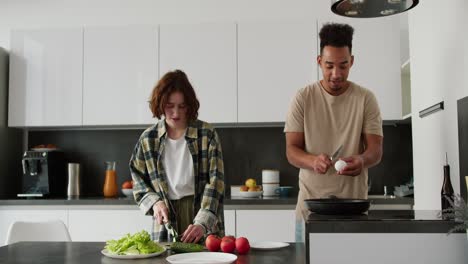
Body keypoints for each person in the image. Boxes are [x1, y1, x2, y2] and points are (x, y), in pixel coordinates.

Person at [284, 23, 383, 241]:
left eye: (343, 65)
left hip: (354, 211)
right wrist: (312, 161)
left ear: (352, 62)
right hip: (310, 211)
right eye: (329, 66)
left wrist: (362, 160)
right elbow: (291, 150)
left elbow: (375, 150)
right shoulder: (303, 98)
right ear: (319, 61)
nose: (336, 74)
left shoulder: (365, 99)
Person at [130, 69, 225, 243]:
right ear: (160, 104)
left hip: (200, 211)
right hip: (166, 215)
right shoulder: (148, 139)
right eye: (169, 106)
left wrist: (202, 223)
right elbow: (137, 179)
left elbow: (216, 182)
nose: (176, 113)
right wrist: (155, 203)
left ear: (190, 105)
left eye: (182, 106)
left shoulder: (207, 134)